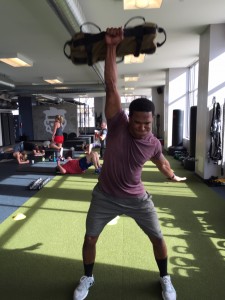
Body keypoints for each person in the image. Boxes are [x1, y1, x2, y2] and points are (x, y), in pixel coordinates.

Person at [73, 27, 187, 300]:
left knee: (158, 238)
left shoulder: (154, 142)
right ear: (129, 117)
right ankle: (87, 277)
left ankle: (165, 278)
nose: (142, 127)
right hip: (105, 195)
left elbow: (161, 162)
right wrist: (112, 46)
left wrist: (171, 175)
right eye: (137, 122)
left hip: (137, 198)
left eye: (147, 123)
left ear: (152, 121)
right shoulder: (117, 123)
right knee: (90, 238)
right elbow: (111, 86)